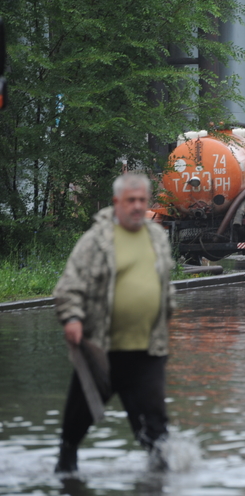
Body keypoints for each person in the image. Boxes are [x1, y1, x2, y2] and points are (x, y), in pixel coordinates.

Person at [53, 173, 176, 474]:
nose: (137, 206)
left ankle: (160, 479)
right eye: (130, 200)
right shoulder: (96, 239)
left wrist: (167, 309)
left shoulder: (157, 236)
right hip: (101, 348)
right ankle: (67, 467)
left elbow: (164, 284)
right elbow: (69, 286)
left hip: (147, 350)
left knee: (154, 425)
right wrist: (72, 318)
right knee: (77, 419)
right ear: (116, 202)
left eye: (142, 200)